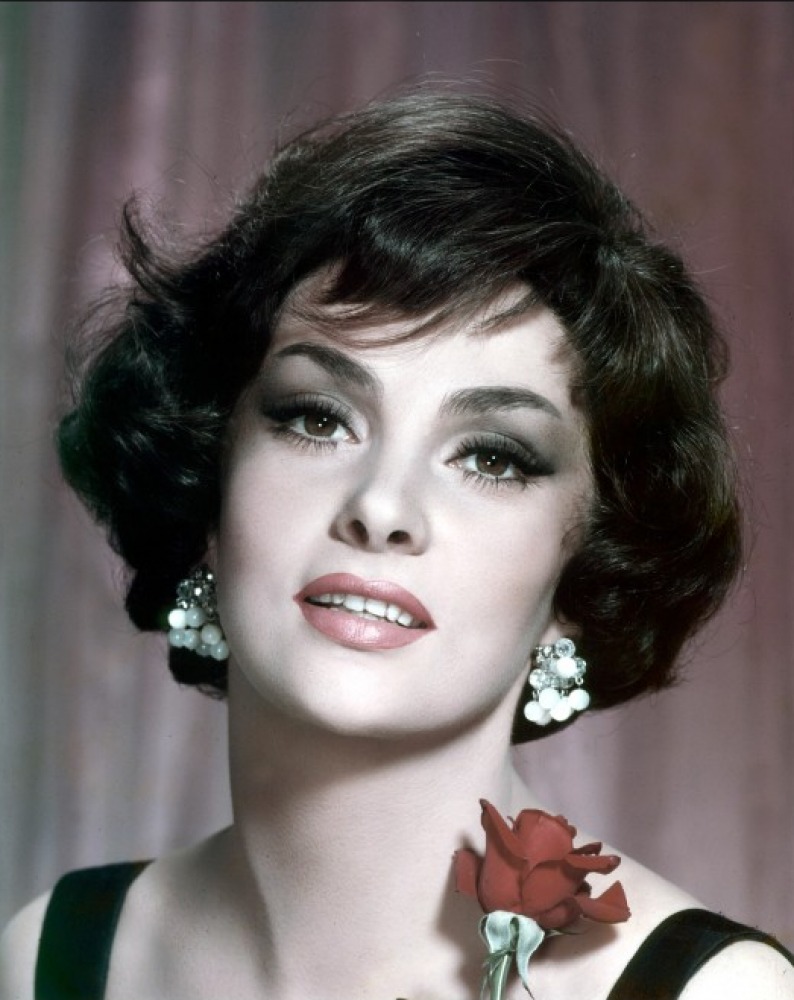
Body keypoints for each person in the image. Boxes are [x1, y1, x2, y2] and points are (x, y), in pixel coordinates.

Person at [2, 88, 792, 1000]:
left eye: (492, 458)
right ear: (208, 487)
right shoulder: (54, 956)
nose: (381, 507)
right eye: (317, 418)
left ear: (584, 573)